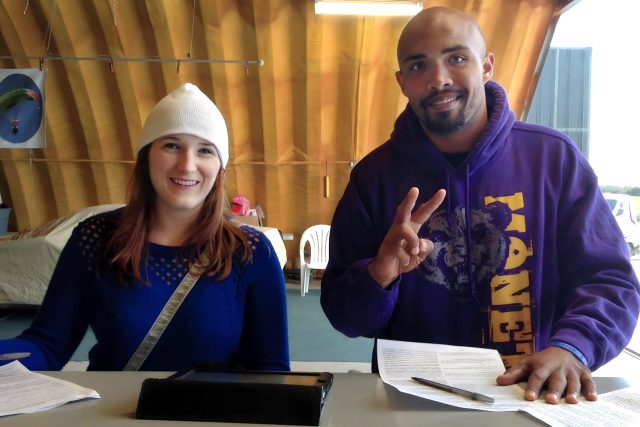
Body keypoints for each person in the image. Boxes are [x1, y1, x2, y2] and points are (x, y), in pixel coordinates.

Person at [321, 6, 640, 404]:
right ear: (402, 82)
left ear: (486, 65)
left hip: (534, 397)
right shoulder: (373, 178)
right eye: (419, 66)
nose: (439, 79)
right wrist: (379, 274)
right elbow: (346, 318)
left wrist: (573, 347)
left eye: (456, 58)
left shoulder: (552, 159)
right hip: (412, 403)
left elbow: (610, 282)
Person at [0, 83, 290, 372]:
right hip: (115, 414)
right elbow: (48, 345)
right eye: (172, 145)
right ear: (146, 156)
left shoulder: (250, 252)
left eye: (205, 150)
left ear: (219, 167)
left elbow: (271, 369)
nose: (187, 165)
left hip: (212, 414)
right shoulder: (95, 238)